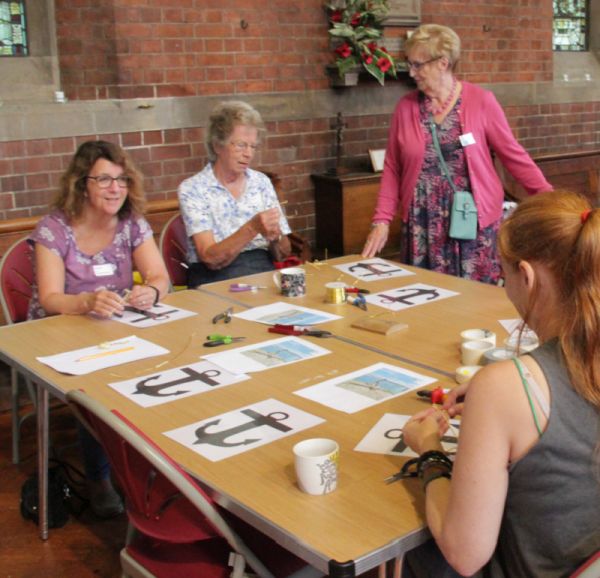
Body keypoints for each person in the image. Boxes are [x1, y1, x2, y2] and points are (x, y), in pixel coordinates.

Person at [401, 190, 600, 577]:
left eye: (502, 274)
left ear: (525, 276)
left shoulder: (505, 386)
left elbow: (466, 552)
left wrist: (428, 449)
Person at [28, 140, 170, 518]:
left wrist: (150, 291)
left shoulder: (131, 223)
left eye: (121, 179)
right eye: (104, 179)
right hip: (60, 329)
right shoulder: (54, 228)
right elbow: (50, 298)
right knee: (99, 389)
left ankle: (153, 466)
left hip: (113, 327)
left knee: (161, 368)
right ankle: (99, 478)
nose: (115, 189)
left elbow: (160, 276)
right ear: (81, 184)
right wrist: (88, 301)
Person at [361, 24, 552, 284]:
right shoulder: (405, 108)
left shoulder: (481, 101)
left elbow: (513, 156)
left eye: (418, 65)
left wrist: (551, 200)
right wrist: (381, 220)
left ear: (443, 63)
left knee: (475, 300)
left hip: (471, 222)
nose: (412, 72)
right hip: (422, 223)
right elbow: (393, 168)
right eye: (410, 64)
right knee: (425, 298)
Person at [178, 100, 291, 288]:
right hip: (214, 279)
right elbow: (210, 258)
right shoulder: (193, 189)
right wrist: (252, 227)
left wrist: (275, 237)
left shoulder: (261, 182)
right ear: (217, 146)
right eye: (240, 145)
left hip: (261, 271)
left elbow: (284, 253)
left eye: (253, 146)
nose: (248, 154)